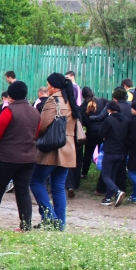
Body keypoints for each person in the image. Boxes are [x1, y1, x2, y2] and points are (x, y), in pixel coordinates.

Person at [0, 81, 40, 232]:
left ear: (10, 95)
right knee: (23, 191)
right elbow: (37, 133)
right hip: (29, 158)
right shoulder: (35, 112)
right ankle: (26, 226)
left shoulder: (9, 111)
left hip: (7, 158)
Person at [30, 73, 82, 231]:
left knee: (35, 180)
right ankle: (60, 224)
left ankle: (50, 217)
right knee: (58, 186)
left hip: (53, 147)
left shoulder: (53, 100)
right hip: (68, 147)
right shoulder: (70, 100)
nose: (47, 87)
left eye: (48, 84)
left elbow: (43, 124)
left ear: (53, 86)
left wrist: (34, 138)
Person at [98, 101, 129, 206]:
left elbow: (101, 133)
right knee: (113, 175)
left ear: (109, 109)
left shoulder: (109, 119)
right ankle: (107, 198)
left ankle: (117, 192)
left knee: (106, 176)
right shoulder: (126, 120)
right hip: (121, 153)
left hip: (110, 151)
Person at [81, 87, 106, 179]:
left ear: (82, 96)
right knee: (102, 152)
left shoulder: (84, 106)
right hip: (103, 131)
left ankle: (84, 173)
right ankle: (103, 174)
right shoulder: (101, 102)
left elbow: (85, 122)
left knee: (88, 153)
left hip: (91, 132)